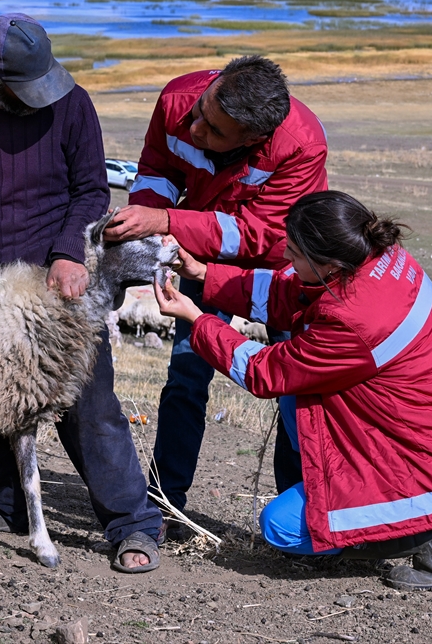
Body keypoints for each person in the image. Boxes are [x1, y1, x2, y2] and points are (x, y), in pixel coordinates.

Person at [0, 12, 163, 573]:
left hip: (54, 283)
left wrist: (69, 251)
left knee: (89, 401)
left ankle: (132, 524)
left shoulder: (72, 104)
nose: (39, 98)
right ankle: (4, 501)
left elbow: (91, 189)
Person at [152, 191, 432, 589]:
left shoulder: (354, 319)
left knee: (282, 530)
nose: (287, 259)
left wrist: (197, 319)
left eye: (294, 253)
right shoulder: (371, 259)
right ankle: (337, 499)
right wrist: (204, 273)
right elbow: (290, 292)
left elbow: (264, 371)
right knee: (297, 395)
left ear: (328, 263)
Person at [103, 55, 328, 535]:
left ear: (252, 139)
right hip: (191, 251)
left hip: (282, 270)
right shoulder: (177, 100)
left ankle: (303, 518)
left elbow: (263, 237)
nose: (195, 125)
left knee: (295, 387)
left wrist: (169, 222)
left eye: (213, 128)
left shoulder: (301, 146)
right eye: (202, 109)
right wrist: (147, 221)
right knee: (186, 374)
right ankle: (164, 505)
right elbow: (157, 172)